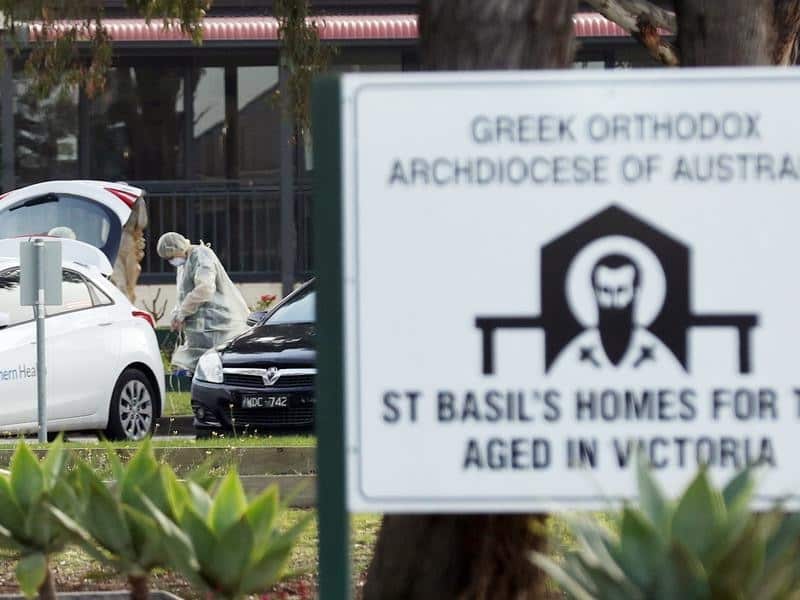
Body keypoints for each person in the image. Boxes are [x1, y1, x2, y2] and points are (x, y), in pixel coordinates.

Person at [551, 253, 682, 373]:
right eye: (605, 290)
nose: (613, 300)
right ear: (595, 292)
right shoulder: (574, 352)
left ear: (636, 292)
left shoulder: (658, 353)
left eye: (621, 290)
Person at [156, 232, 250, 373]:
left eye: (171, 257)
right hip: (201, 329)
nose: (171, 261)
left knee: (216, 366)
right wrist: (177, 315)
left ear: (178, 248)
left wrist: (182, 313)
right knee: (198, 368)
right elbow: (183, 294)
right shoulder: (183, 264)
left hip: (219, 323)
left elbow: (205, 288)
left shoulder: (202, 254)